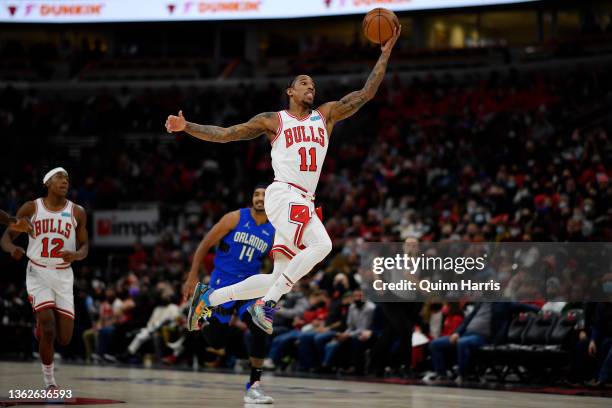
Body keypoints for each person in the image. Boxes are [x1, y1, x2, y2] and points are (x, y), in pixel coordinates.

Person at [166, 26, 402, 336]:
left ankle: (210, 297)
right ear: (289, 91)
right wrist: (187, 126)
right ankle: (266, 306)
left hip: (303, 201)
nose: (311, 88)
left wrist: (385, 54)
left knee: (277, 277)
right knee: (324, 245)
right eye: (304, 83)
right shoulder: (274, 120)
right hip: (283, 195)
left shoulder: (326, 115)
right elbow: (226, 134)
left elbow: (365, 94)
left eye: (313, 85)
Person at [182, 185, 276, 404]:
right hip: (222, 282)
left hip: (251, 286)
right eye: (256, 194)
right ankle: (203, 312)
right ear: (251, 198)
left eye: (264, 195)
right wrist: (192, 275)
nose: (260, 198)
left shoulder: (274, 228)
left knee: (261, 326)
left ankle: (254, 386)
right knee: (217, 342)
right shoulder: (234, 218)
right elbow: (205, 243)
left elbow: (275, 262)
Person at [1, 167, 89, 389]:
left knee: (65, 339)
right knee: (48, 327)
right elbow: (6, 238)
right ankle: (50, 381)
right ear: (47, 183)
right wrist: (12, 249)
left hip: (63, 275)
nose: (65, 181)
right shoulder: (32, 207)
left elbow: (85, 245)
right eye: (59, 177)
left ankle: (40, 327)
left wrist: (77, 255)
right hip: (38, 271)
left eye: (67, 178)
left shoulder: (77, 211)